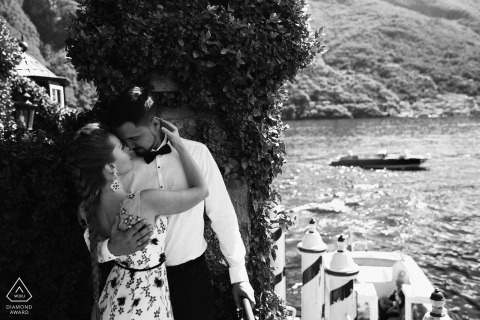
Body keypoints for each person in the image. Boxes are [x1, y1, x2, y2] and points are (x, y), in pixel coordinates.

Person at [91, 86, 255, 320]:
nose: (129, 146)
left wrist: (239, 275)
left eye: (134, 137)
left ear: (156, 124)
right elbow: (106, 210)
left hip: (190, 280)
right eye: (123, 141)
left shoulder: (197, 154)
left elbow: (223, 215)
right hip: (136, 285)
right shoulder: (121, 169)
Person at [70, 120, 209, 319]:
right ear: (110, 167)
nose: (127, 148)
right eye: (120, 147)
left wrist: (111, 248)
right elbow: (201, 190)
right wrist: (178, 144)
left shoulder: (87, 208)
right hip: (146, 307)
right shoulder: (146, 201)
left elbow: (98, 253)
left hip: (113, 303)